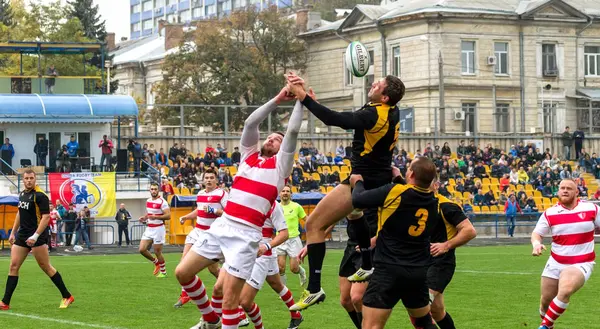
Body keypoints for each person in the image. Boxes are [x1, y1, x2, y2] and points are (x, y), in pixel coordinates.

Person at [174, 84, 303, 329]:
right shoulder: (248, 156)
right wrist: (277, 99)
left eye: (278, 139)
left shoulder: (280, 168)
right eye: (270, 137)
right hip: (222, 226)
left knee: (231, 302)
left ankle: (223, 320)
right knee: (182, 272)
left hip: (246, 236)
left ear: (283, 148)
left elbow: (293, 131)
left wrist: (300, 100)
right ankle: (210, 319)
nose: (272, 140)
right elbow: (250, 123)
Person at [286, 73, 406, 310]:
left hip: (364, 179)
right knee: (354, 214)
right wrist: (313, 102)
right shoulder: (390, 109)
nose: (373, 83)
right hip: (375, 176)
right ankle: (367, 265)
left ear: (384, 97)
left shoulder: (375, 113)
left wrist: (304, 99)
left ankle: (314, 289)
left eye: (378, 84)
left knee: (313, 225)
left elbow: (334, 119)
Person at [348, 157, 439, 329]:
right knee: (423, 322)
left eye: (409, 168)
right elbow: (412, 193)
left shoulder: (395, 191)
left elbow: (358, 200)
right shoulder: (434, 201)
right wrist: (399, 178)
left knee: (371, 325)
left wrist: (358, 182)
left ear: (411, 173)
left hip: (389, 269)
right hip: (417, 272)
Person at [210, 202, 304, 329]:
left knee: (244, 302)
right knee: (277, 285)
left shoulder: (274, 206)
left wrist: (266, 246)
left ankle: (255, 324)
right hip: (245, 251)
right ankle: (296, 315)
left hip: (262, 255)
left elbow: (284, 233)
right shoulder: (247, 199)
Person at [0, 169, 74, 310]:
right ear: (23, 180)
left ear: (35, 179)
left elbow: (46, 217)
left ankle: (67, 296)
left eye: (31, 178)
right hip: (22, 236)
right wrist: (13, 232)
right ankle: (5, 302)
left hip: (37, 236)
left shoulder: (40, 196)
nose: (28, 180)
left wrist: (35, 236)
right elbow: (19, 214)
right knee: (13, 266)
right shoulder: (22, 194)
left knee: (46, 267)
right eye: (26, 178)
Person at [531, 179, 600, 329]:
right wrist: (536, 245)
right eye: (562, 188)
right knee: (545, 302)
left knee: (565, 290)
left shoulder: (591, 209)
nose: (565, 190)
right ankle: (548, 325)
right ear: (558, 191)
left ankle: (543, 327)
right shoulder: (550, 213)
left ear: (576, 192)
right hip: (555, 262)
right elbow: (537, 233)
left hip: (581, 262)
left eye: (569, 188)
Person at [175, 168, 228, 308]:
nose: (209, 180)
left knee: (213, 269)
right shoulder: (200, 193)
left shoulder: (222, 194)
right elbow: (199, 210)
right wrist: (186, 217)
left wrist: (214, 211)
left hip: (211, 235)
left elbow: (229, 214)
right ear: (203, 180)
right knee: (183, 262)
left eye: (211, 177)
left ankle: (228, 284)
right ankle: (185, 293)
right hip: (197, 231)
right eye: (207, 178)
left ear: (216, 180)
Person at [428, 180, 477, 329]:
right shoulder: (415, 205)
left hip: (440, 264)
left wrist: (446, 245)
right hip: (421, 263)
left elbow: (470, 230)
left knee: (420, 306)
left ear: (436, 185)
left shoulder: (446, 206)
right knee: (437, 311)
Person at [275, 185, 307, 287]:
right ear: (280, 194)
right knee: (280, 268)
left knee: (294, 268)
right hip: (280, 239)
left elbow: (307, 220)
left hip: (294, 240)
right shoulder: (276, 207)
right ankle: (284, 290)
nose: (285, 193)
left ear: (291, 194)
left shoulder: (297, 206)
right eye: (283, 191)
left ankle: (301, 272)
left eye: (287, 191)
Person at [139, 183, 171, 278]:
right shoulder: (148, 201)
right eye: (152, 189)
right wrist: (144, 218)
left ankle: (163, 272)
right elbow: (149, 213)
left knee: (157, 252)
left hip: (158, 229)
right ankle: (155, 262)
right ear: (150, 190)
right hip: (149, 228)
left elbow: (168, 216)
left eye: (155, 189)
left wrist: (156, 217)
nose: (153, 191)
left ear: (158, 190)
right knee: (142, 249)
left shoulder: (163, 202)